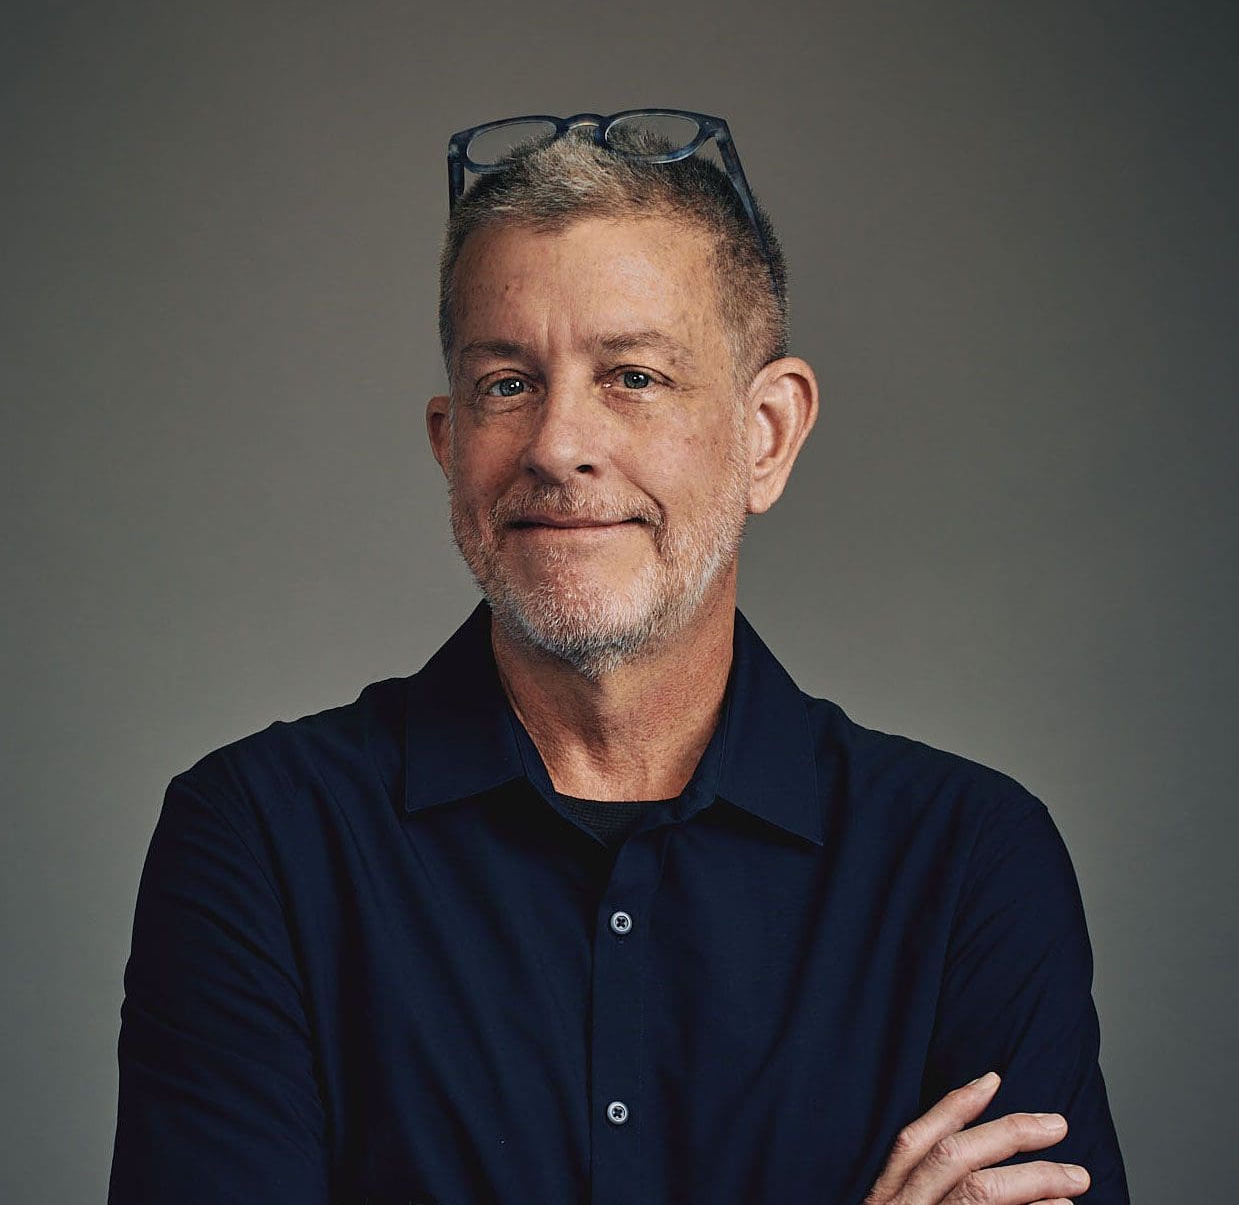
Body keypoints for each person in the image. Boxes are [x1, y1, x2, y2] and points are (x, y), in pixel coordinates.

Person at [108, 110, 1129, 1203]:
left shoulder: (968, 862)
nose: (556, 445)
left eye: (633, 376)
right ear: (450, 446)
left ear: (767, 435)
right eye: (507, 383)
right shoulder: (259, 840)